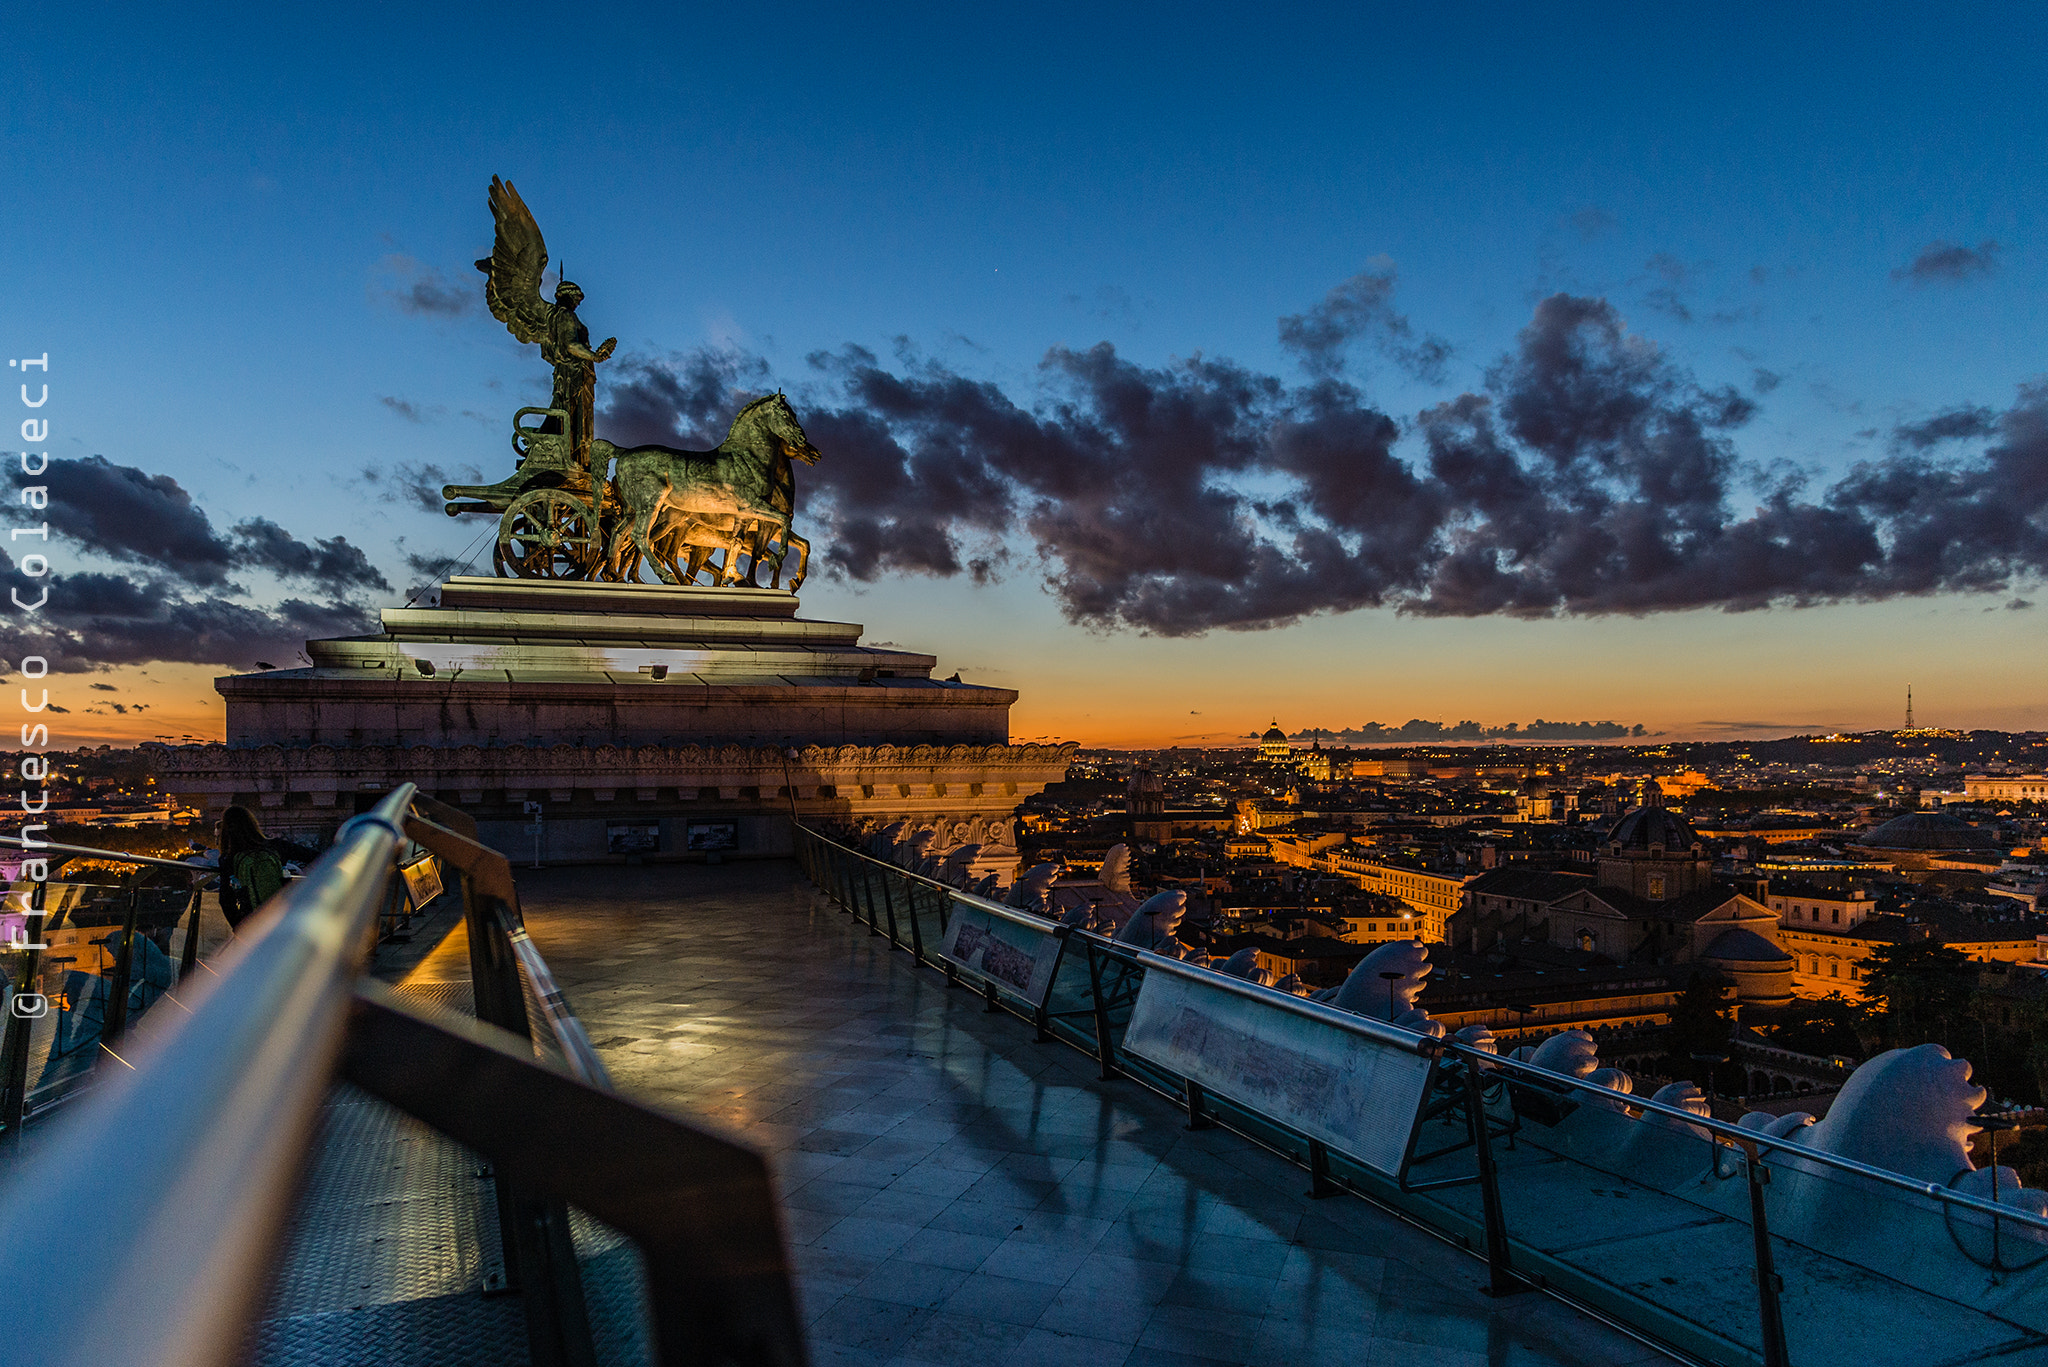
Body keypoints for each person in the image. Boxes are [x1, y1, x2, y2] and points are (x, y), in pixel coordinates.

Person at [216, 806, 318, 929]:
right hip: (284, 915)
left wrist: (239, 929)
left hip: (253, 922)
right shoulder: (276, 846)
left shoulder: (228, 858)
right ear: (253, 824)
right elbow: (314, 856)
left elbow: (226, 900)